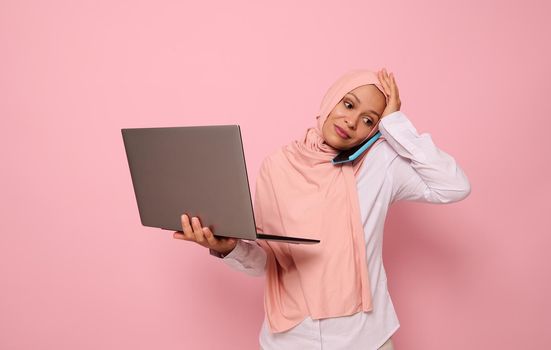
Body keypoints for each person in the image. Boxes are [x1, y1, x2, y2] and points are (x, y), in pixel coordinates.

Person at [173, 68, 471, 350]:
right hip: (290, 340)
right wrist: (229, 248)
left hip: (364, 338)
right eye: (348, 104)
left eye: (369, 120)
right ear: (331, 98)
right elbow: (268, 264)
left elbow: (454, 186)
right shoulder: (278, 167)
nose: (352, 122)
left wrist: (396, 124)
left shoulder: (380, 164)